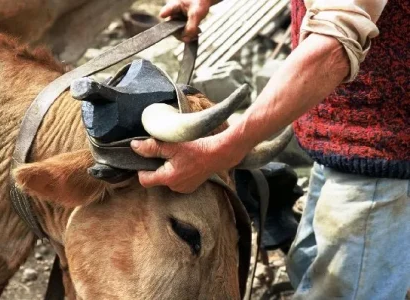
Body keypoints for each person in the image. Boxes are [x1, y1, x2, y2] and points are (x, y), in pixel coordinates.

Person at [130, 0, 409, 298]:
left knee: (343, 291)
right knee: (307, 266)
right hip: (343, 140)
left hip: (387, 148)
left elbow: (333, 47)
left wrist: (226, 148)